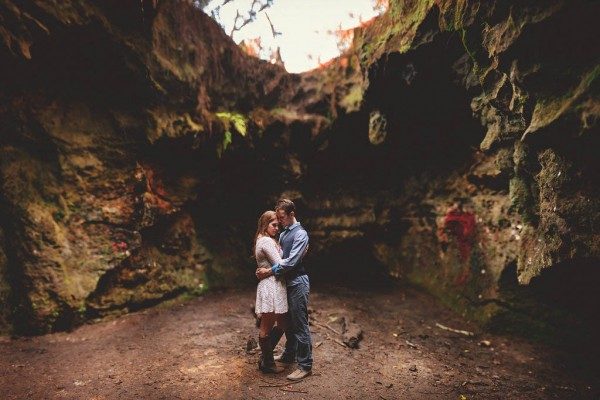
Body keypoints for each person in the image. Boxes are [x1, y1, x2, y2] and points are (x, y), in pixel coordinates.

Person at [256, 198, 312, 381]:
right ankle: (289, 355)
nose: (279, 222)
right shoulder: (284, 234)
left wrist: (269, 271)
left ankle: (305, 365)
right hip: (285, 283)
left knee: (300, 324)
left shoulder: (300, 234)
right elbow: (282, 256)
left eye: (281, 218)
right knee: (288, 323)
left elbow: (290, 262)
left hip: (297, 282)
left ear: (291, 214)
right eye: (277, 219)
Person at [253, 210, 288, 373]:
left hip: (275, 284)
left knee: (282, 324)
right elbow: (281, 264)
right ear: (265, 224)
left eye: (278, 225)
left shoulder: (266, 239)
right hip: (270, 285)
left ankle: (265, 358)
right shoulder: (266, 241)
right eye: (274, 225)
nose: (277, 228)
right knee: (267, 326)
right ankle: (268, 363)